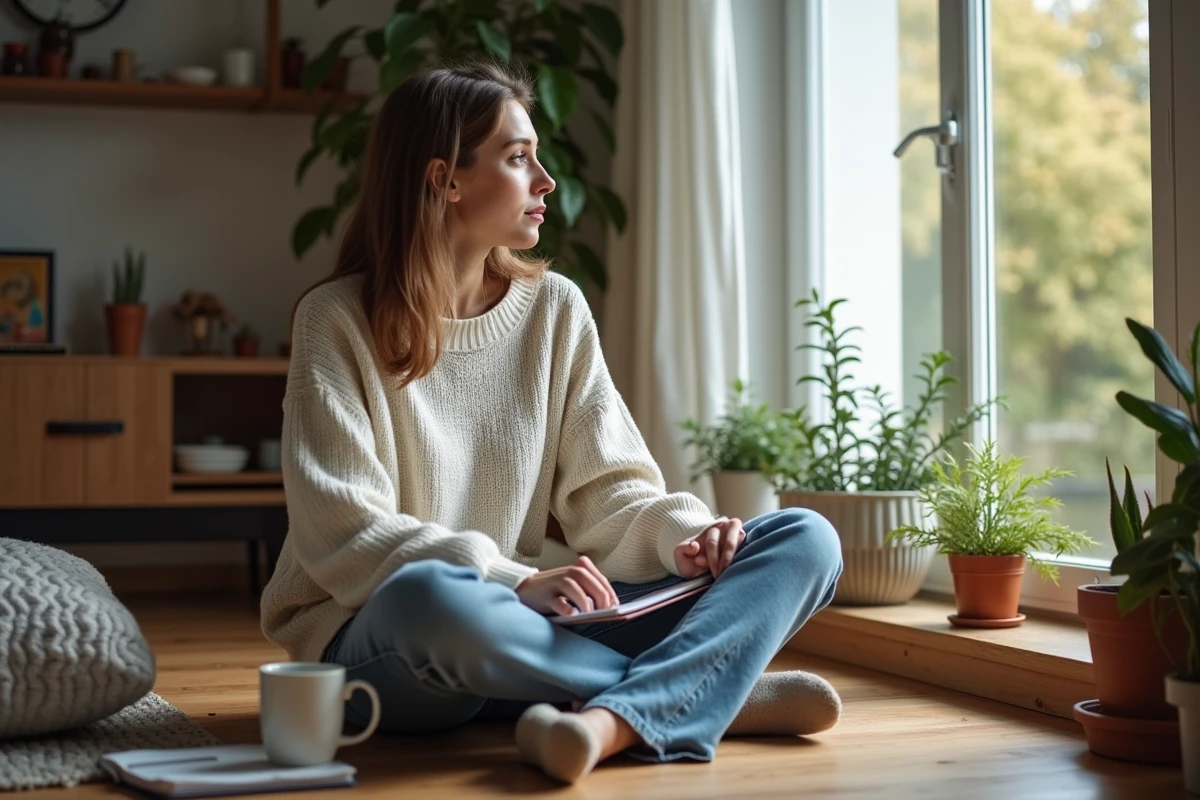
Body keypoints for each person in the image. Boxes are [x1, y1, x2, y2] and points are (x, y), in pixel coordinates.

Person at [260, 62, 844, 785]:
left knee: (802, 537)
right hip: (391, 637)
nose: (547, 180)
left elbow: (611, 493)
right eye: (517, 157)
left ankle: (616, 714)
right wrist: (509, 581)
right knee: (433, 595)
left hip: (529, 628)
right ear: (446, 178)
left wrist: (685, 537)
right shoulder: (335, 321)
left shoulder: (554, 309)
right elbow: (341, 535)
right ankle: (699, 693)